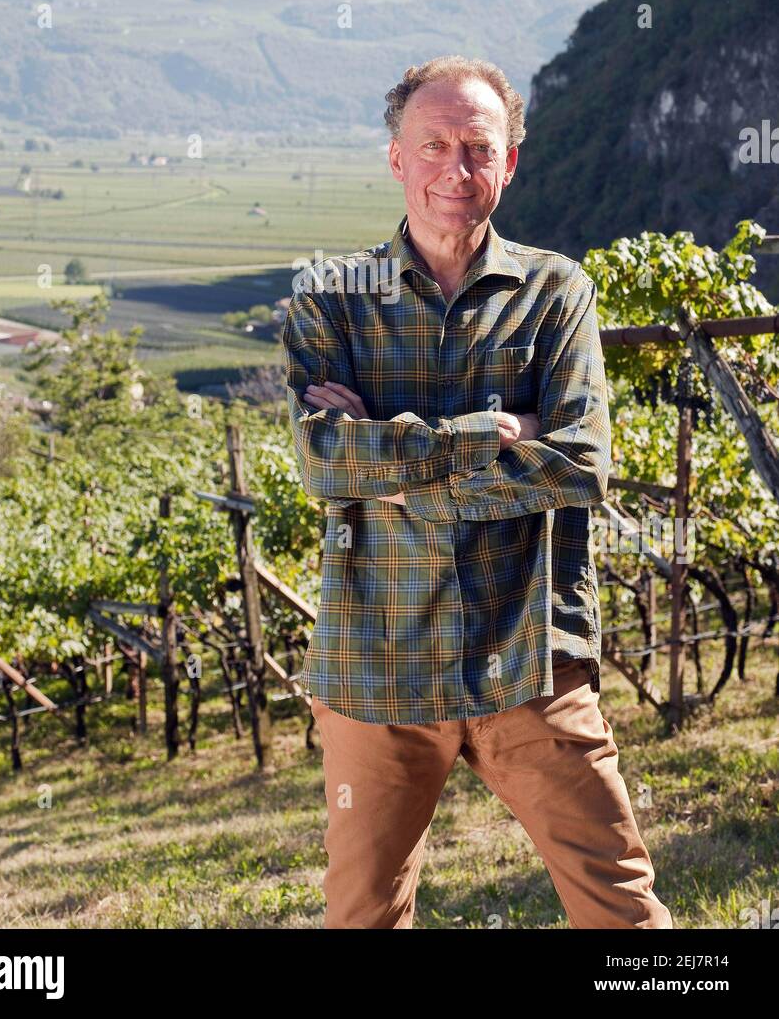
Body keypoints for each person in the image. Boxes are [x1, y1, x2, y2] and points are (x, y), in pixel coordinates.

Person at [282, 54, 672, 930]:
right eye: (433, 145)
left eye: (477, 147)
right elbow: (322, 466)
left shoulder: (555, 291)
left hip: (529, 655)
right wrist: (491, 435)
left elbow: (580, 467)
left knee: (623, 913)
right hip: (374, 672)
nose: (455, 169)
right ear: (395, 157)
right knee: (362, 920)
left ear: (510, 162)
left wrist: (394, 460)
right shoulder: (332, 300)